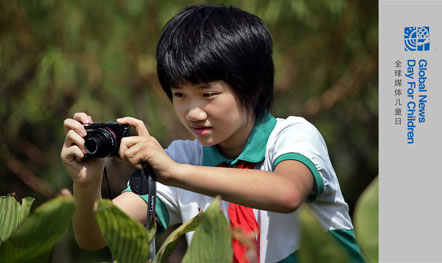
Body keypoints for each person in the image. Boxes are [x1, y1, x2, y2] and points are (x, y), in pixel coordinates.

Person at [61, 4, 366, 263]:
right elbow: (95, 237)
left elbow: (287, 193)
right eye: (179, 94)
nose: (192, 112)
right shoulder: (182, 158)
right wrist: (87, 185)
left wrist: (176, 172)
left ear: (252, 85)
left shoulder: (292, 136)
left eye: (208, 94)